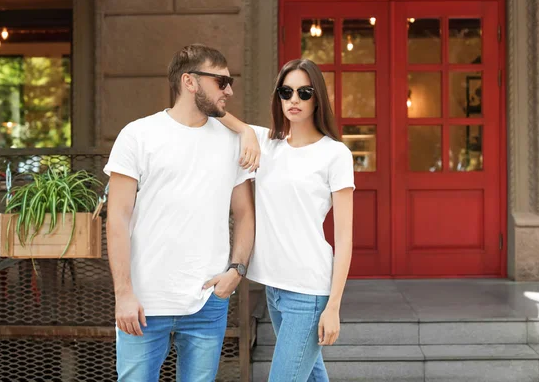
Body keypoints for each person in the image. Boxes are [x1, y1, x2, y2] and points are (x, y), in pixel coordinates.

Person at [104, 44, 256, 382]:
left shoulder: (233, 141)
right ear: (190, 81)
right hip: (143, 304)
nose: (229, 90)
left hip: (207, 302)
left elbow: (245, 214)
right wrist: (124, 294)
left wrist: (237, 271)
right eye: (221, 81)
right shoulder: (138, 136)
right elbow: (117, 219)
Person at [219, 58, 354, 382]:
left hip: (309, 291)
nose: (294, 99)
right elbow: (216, 114)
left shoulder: (335, 154)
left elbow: (345, 239)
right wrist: (245, 130)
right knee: (310, 376)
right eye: (286, 91)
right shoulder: (266, 144)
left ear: (317, 97)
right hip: (275, 289)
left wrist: (333, 306)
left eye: (304, 92)